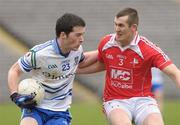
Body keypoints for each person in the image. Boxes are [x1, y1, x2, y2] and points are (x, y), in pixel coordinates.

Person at [77, 8, 180, 125]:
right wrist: (73, 70)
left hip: (143, 100)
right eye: (115, 24)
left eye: (121, 25)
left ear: (133, 27)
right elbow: (101, 64)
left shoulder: (148, 49)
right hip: (115, 101)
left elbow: (175, 73)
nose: (117, 29)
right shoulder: (106, 43)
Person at [8, 13, 97, 125]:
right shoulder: (39, 53)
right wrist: (15, 95)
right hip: (35, 108)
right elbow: (14, 70)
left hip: (59, 112)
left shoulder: (77, 51)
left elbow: (82, 63)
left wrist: (103, 52)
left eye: (82, 35)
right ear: (63, 35)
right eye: (78, 35)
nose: (82, 39)